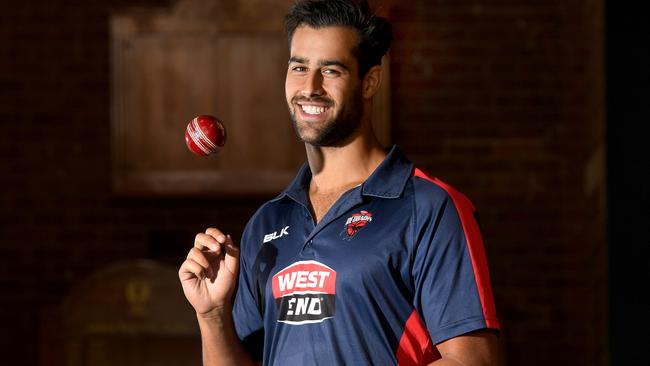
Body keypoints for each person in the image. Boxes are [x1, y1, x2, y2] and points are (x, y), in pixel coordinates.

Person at [178, 0, 501, 365]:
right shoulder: (266, 224)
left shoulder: (428, 206)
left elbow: (474, 360)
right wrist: (212, 315)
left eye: (331, 70)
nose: (310, 87)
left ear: (370, 81)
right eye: (299, 67)